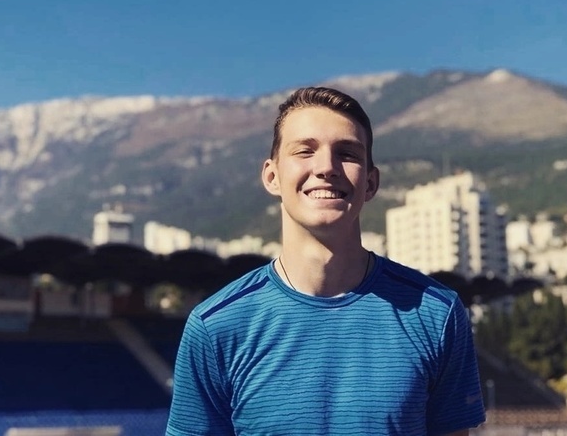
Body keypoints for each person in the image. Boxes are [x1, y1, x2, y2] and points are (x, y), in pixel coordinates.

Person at [166, 86, 485, 436]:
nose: (326, 167)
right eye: (305, 151)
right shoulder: (215, 327)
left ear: (370, 183)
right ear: (272, 177)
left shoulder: (437, 315)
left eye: (347, 154)